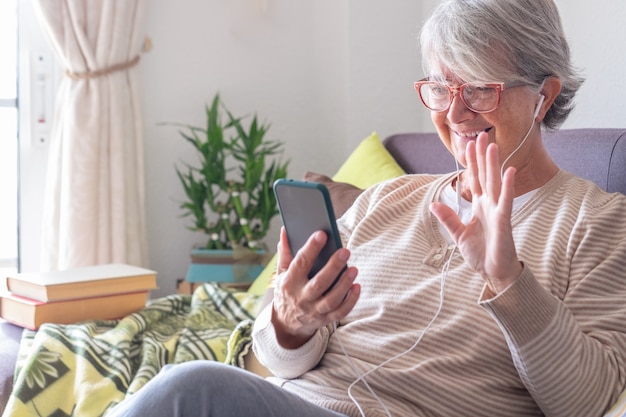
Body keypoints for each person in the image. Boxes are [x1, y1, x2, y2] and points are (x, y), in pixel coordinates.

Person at [108, 0, 626, 416]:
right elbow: (275, 362)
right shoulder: (386, 200)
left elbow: (590, 402)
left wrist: (509, 279)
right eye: (443, 88)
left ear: (543, 95)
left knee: (191, 390)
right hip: (297, 403)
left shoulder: (598, 223)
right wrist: (291, 320)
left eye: (480, 90)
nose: (456, 112)